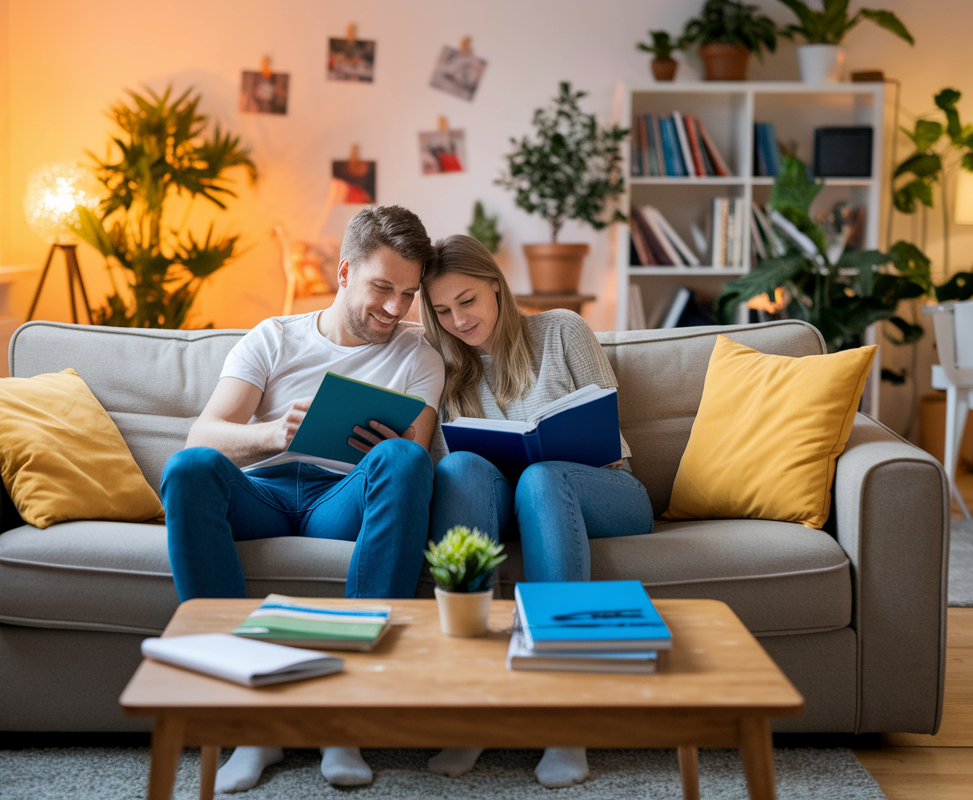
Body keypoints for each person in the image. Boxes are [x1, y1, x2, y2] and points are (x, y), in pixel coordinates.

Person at [161, 206, 445, 792]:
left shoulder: (420, 357)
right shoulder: (273, 337)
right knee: (191, 468)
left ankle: (343, 720)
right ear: (344, 272)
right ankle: (249, 724)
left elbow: (415, 458)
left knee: (404, 458)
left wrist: (391, 448)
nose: (396, 309)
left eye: (409, 294)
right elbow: (202, 434)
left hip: (341, 498)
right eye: (383, 288)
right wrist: (271, 434)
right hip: (261, 491)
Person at [419, 234, 654, 789]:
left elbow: (607, 437)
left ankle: (563, 718)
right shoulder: (444, 366)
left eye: (468, 301)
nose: (459, 320)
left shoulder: (561, 330)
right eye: (443, 310)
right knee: (459, 470)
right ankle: (475, 707)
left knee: (544, 478)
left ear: (496, 286)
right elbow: (451, 469)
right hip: (509, 502)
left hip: (607, 492)